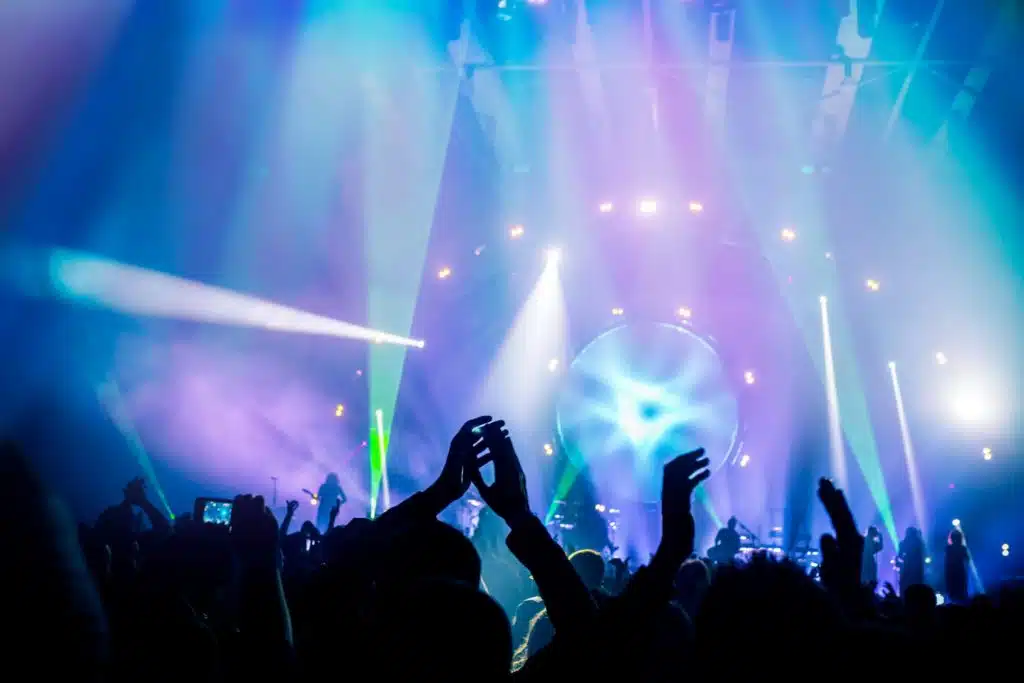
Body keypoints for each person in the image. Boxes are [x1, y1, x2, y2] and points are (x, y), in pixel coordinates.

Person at [897, 526, 925, 595]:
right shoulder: (919, 542)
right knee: (917, 586)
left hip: (907, 567)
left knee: (906, 585)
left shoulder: (903, 543)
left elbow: (900, 556)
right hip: (917, 567)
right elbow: (924, 552)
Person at [944, 527, 969, 603]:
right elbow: (967, 559)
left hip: (952, 571)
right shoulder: (962, 548)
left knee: (954, 591)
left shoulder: (949, 548)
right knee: (959, 590)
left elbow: (946, 561)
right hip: (958, 571)